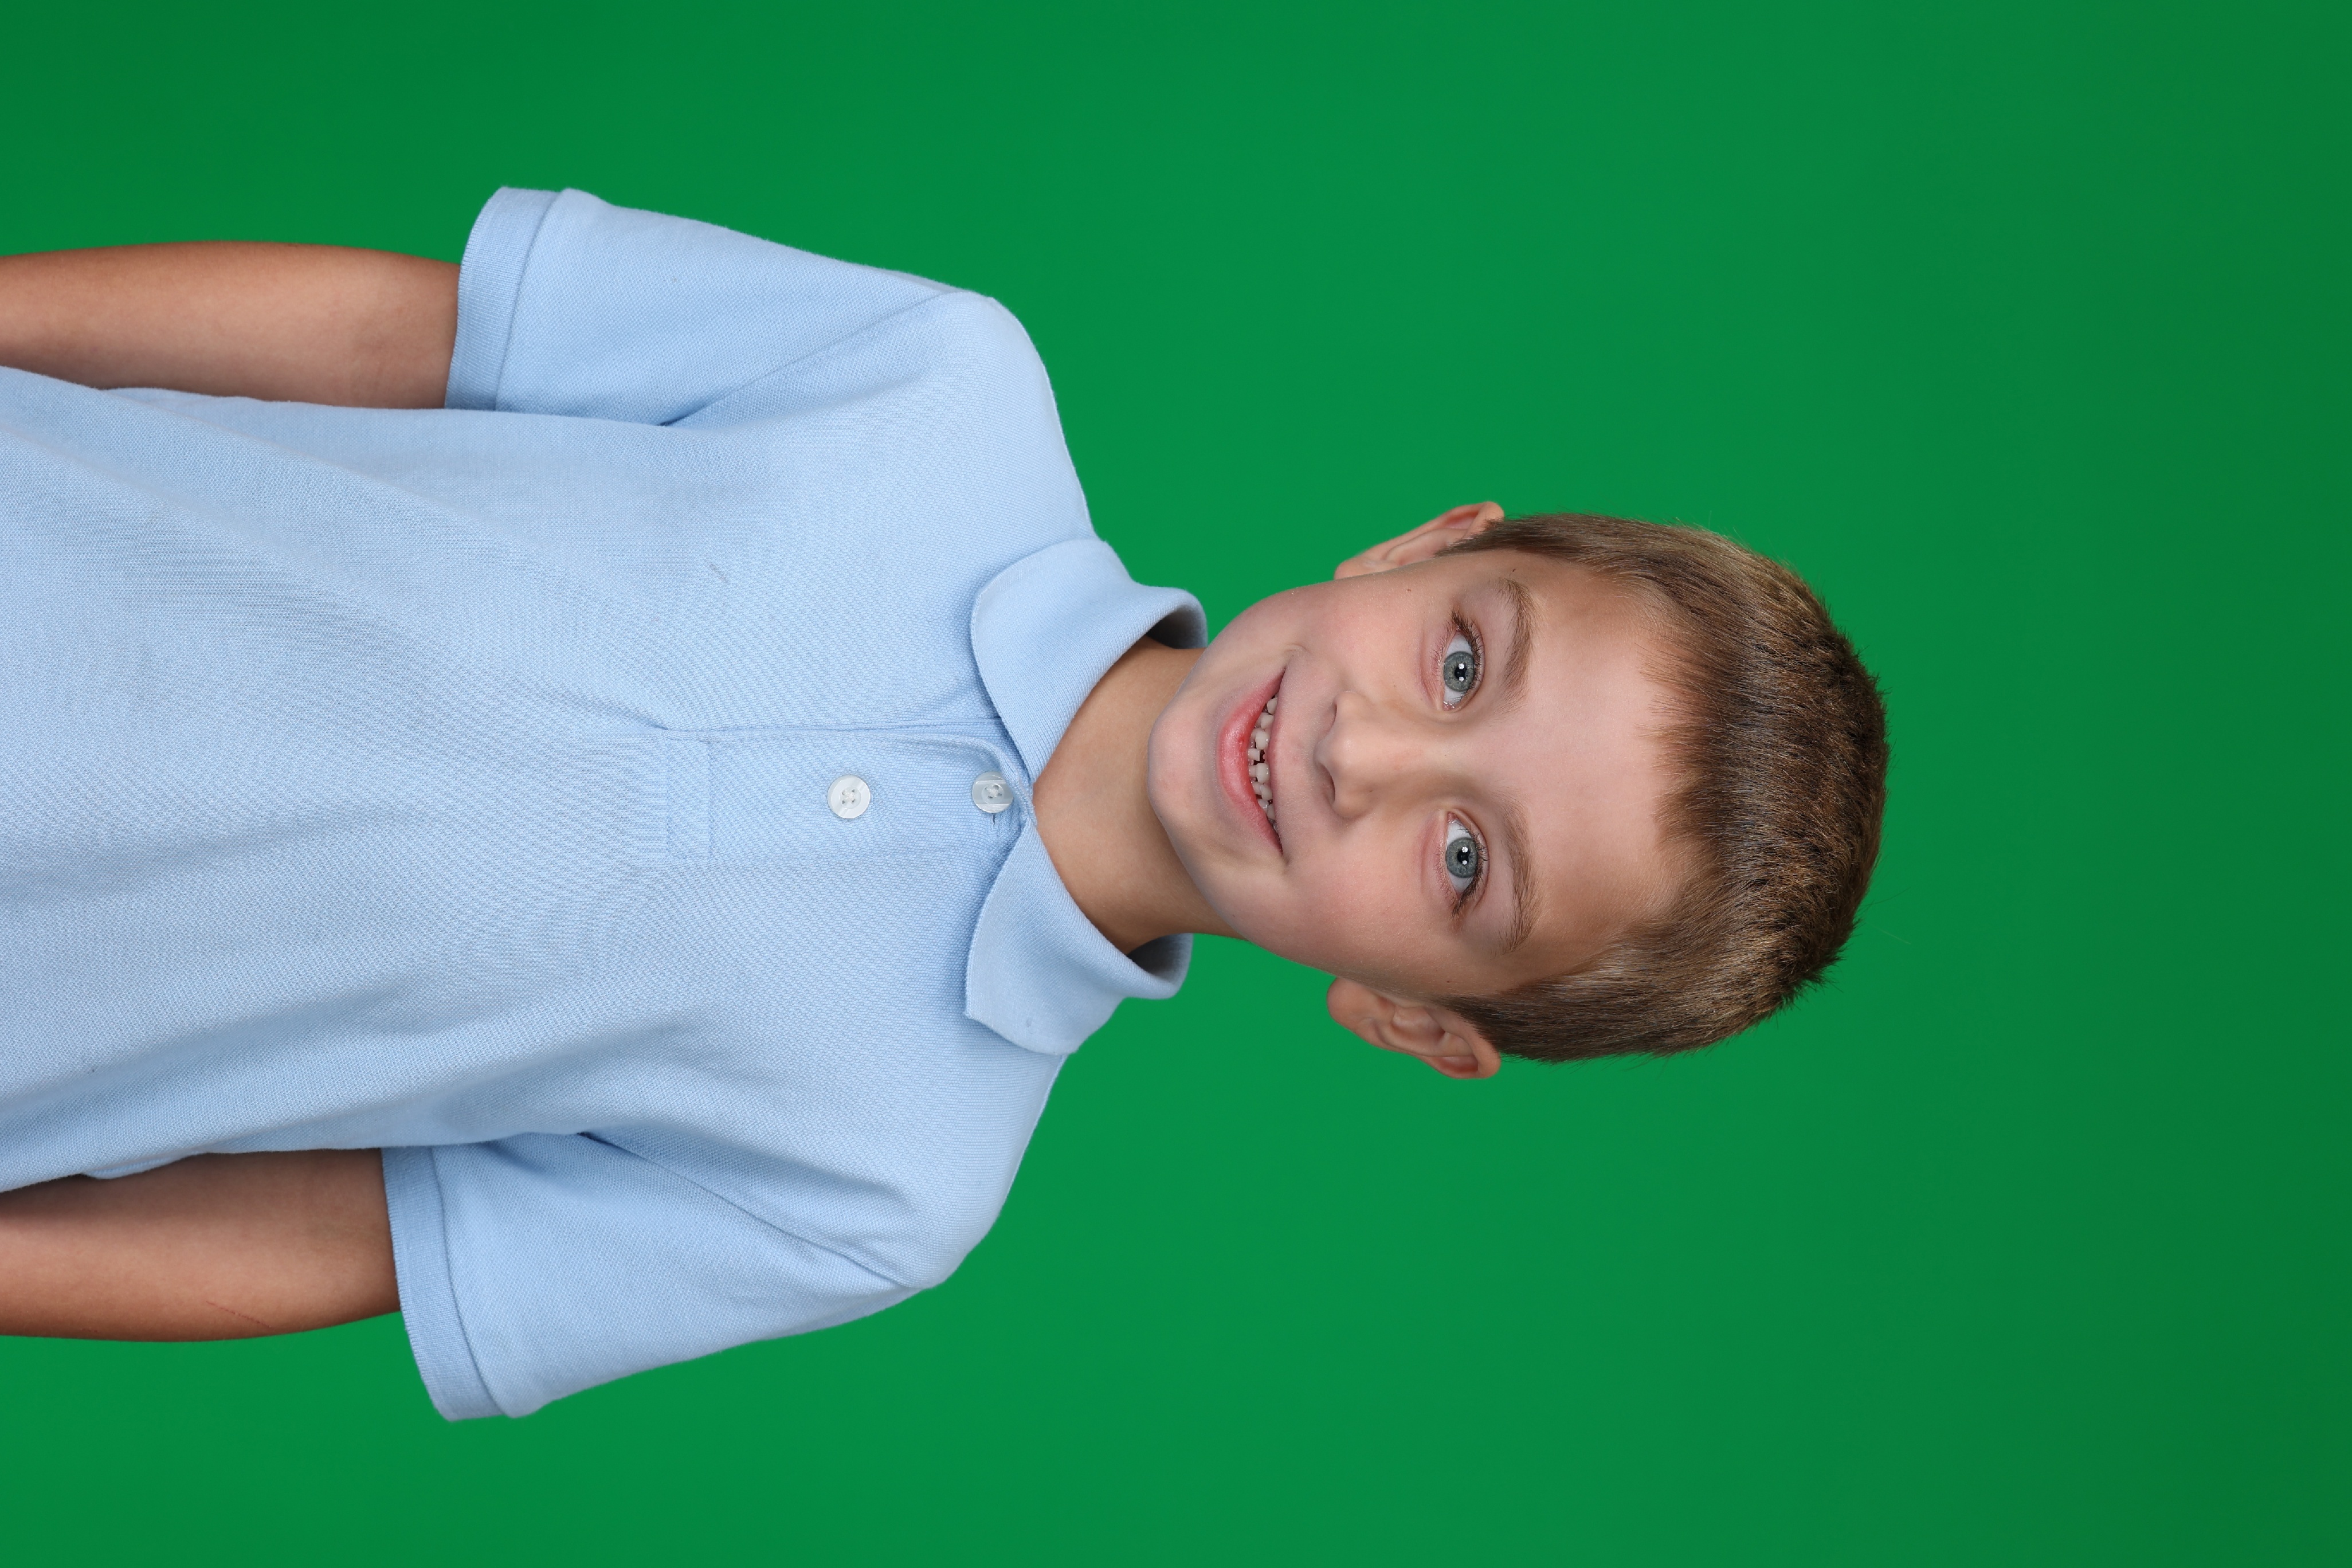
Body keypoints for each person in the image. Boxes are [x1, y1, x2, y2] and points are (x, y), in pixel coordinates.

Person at [0, 189, 1888, 1418]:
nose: (1363, 755)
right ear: (1424, 549)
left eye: (1465, 862)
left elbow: (362, 1234)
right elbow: (399, 342)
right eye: (1464, 663)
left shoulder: (885, 1192)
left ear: (1416, 1017)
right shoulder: (931, 381)